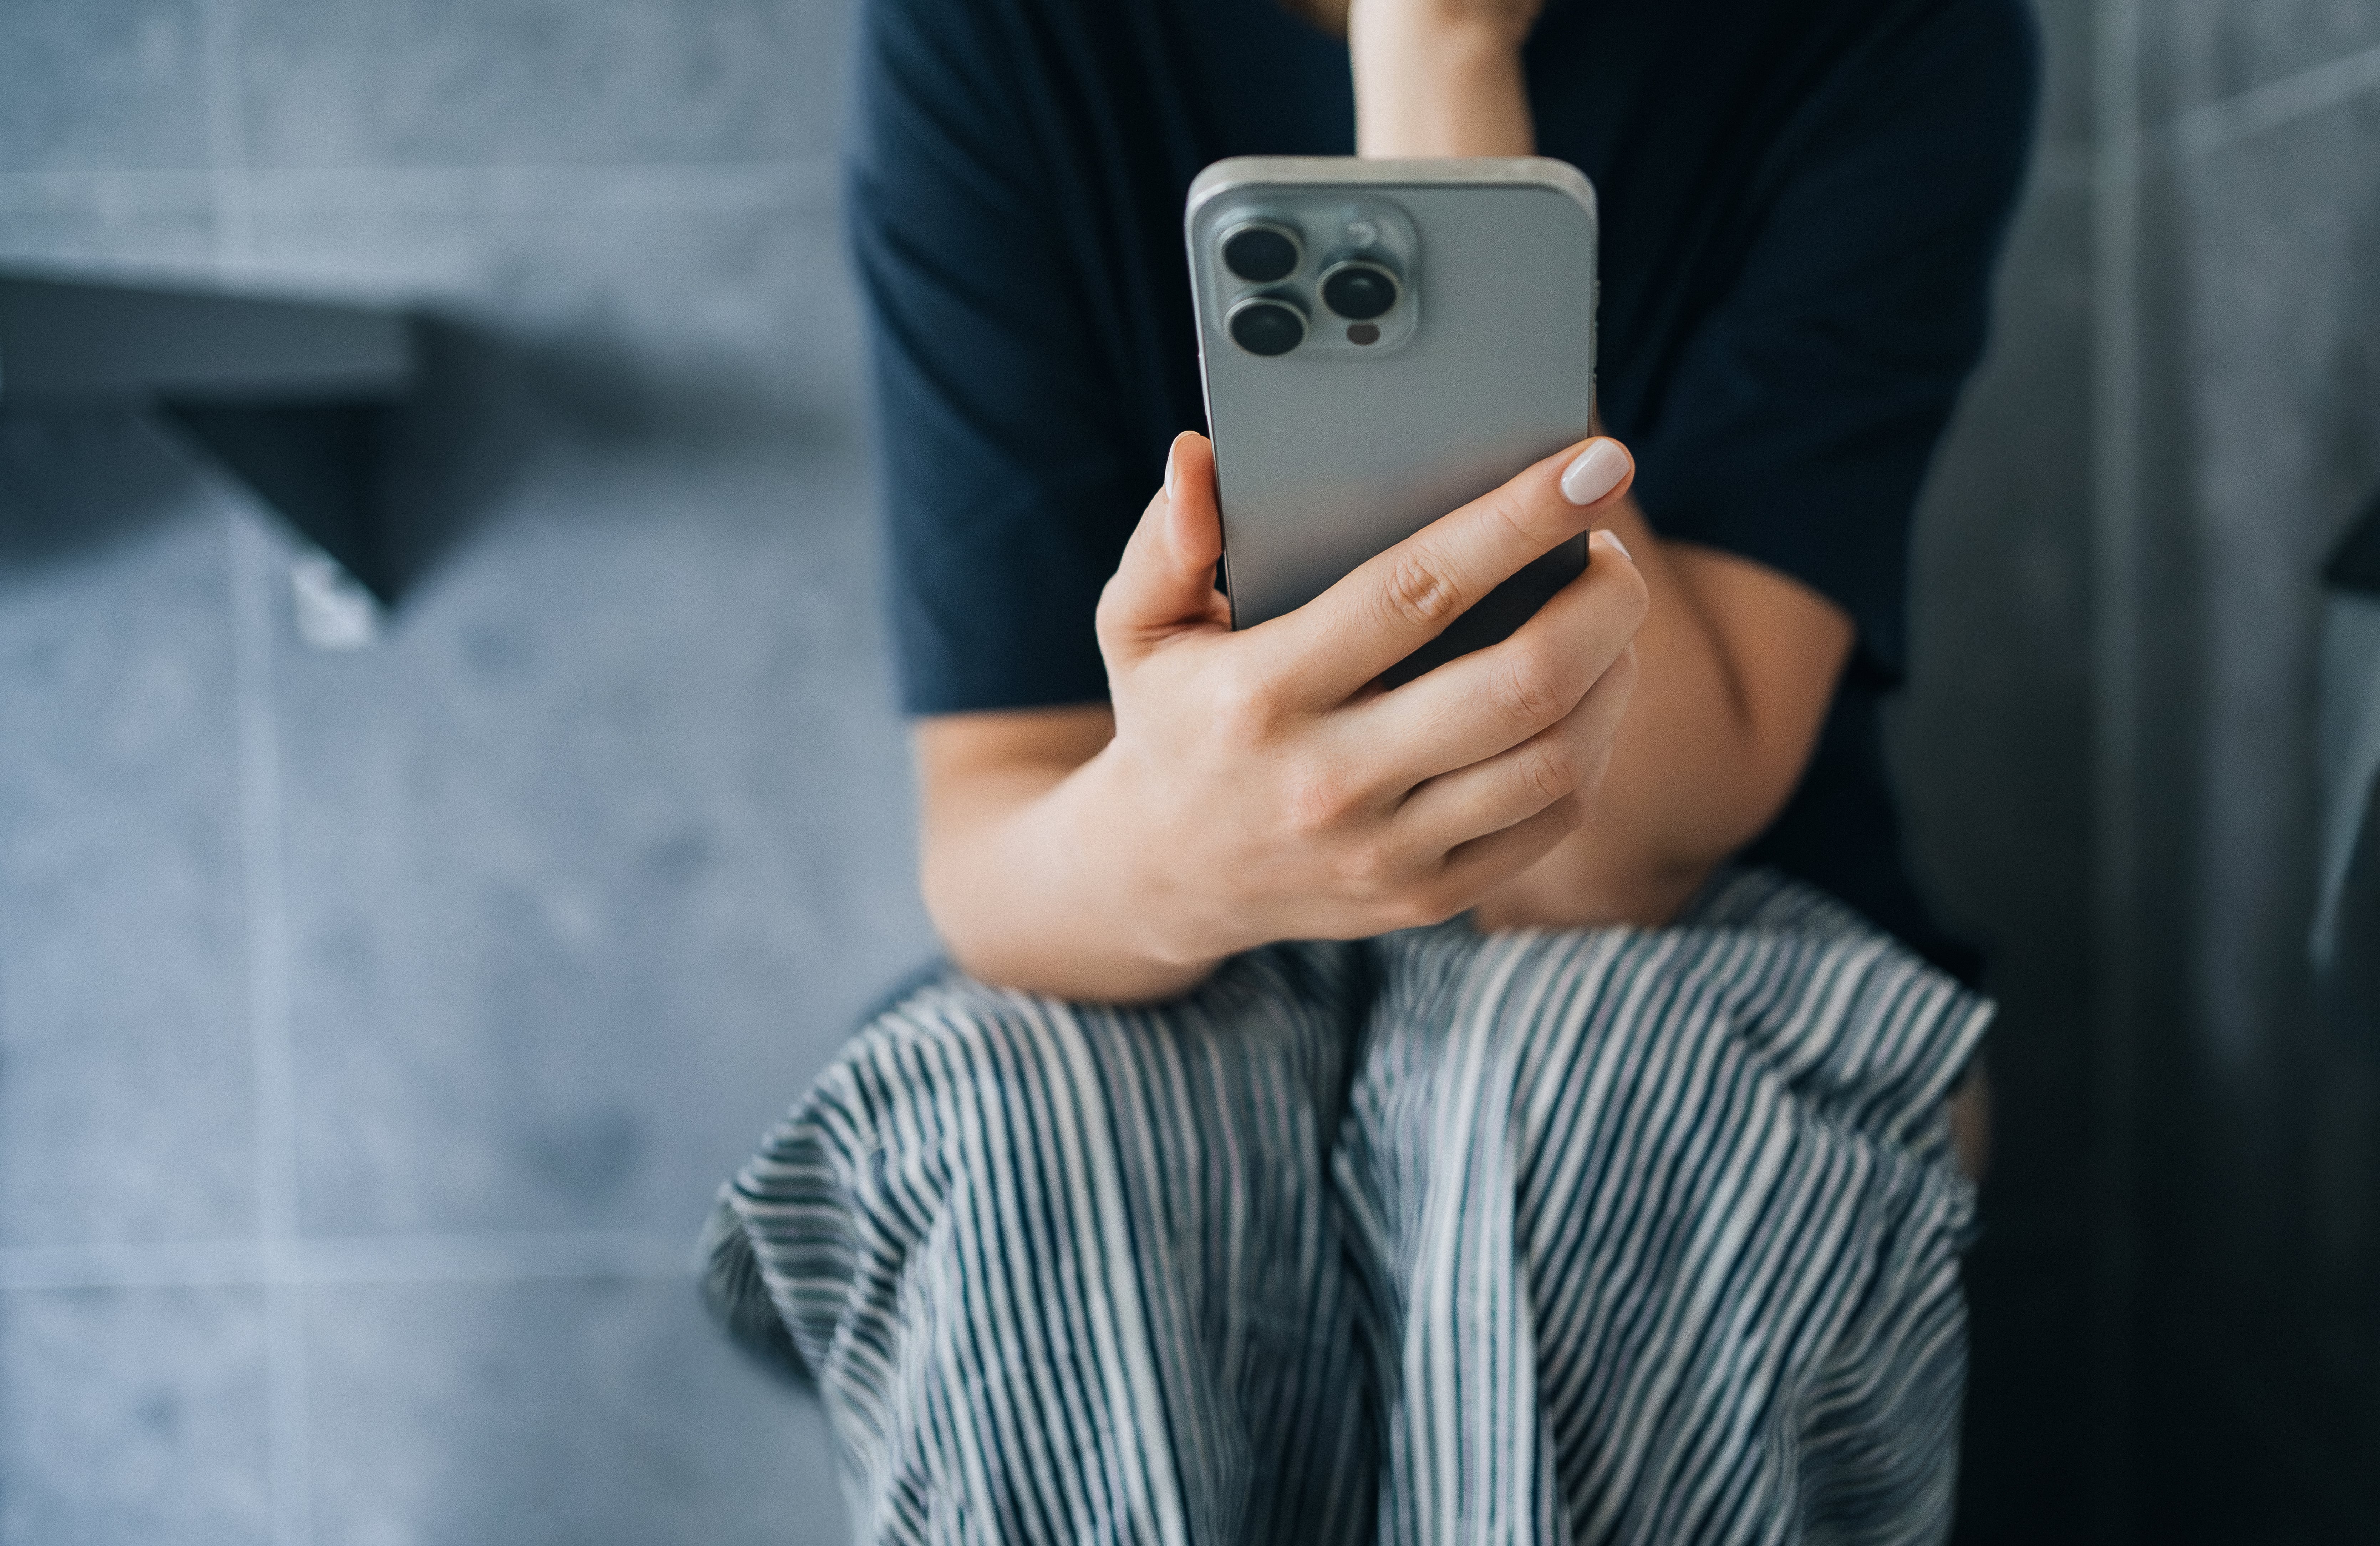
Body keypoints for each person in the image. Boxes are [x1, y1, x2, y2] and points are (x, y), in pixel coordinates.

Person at [706, 0, 2037, 1540]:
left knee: (1601, 1095)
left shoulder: (1889, 34)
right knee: (1016, 1133)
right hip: (1174, 957)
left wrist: (1438, 61)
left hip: (1685, 939)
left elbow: (1612, 855)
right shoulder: (995, 32)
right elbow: (993, 828)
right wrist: (1173, 849)